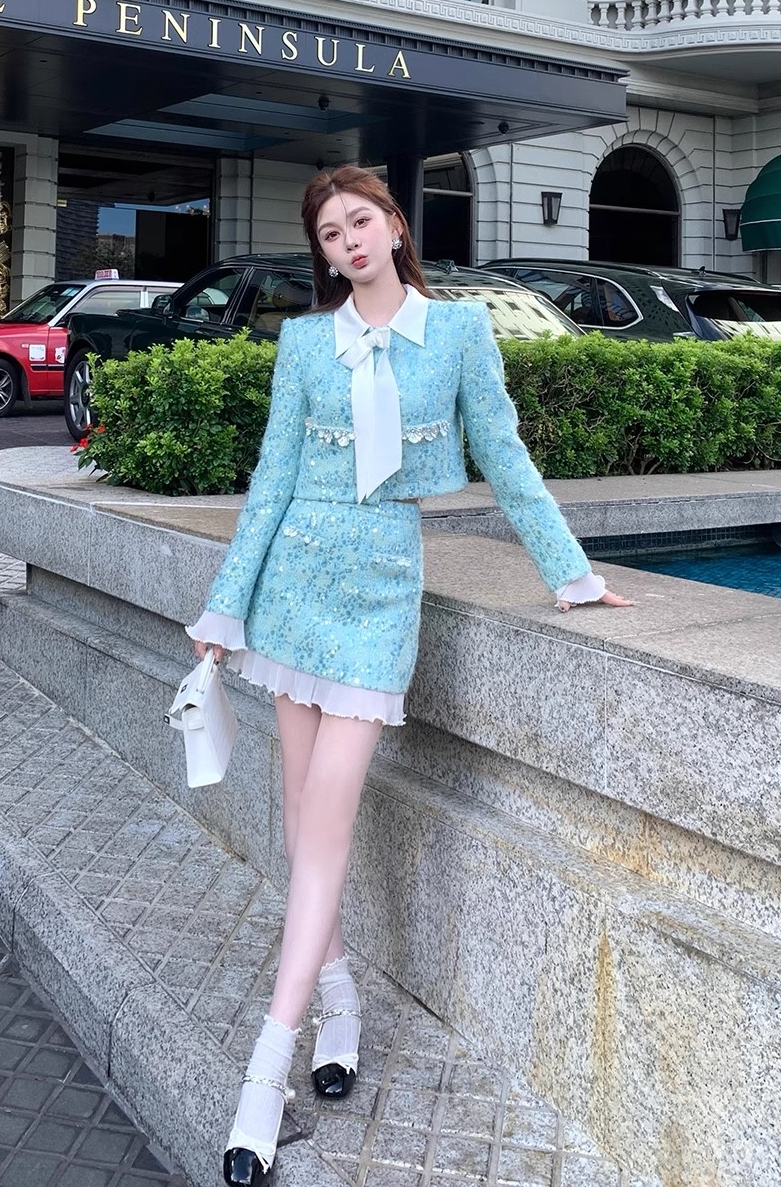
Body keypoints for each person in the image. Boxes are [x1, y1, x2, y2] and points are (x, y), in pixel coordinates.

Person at [186, 165, 634, 1187]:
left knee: (327, 818)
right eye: (329, 233)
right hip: (296, 576)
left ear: (393, 226)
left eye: (360, 221)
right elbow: (272, 479)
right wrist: (224, 608)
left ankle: (266, 1071)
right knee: (299, 813)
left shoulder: (461, 333)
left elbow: (505, 457)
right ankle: (337, 1001)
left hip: (383, 584)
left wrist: (571, 574)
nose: (347, 241)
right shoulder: (306, 342)